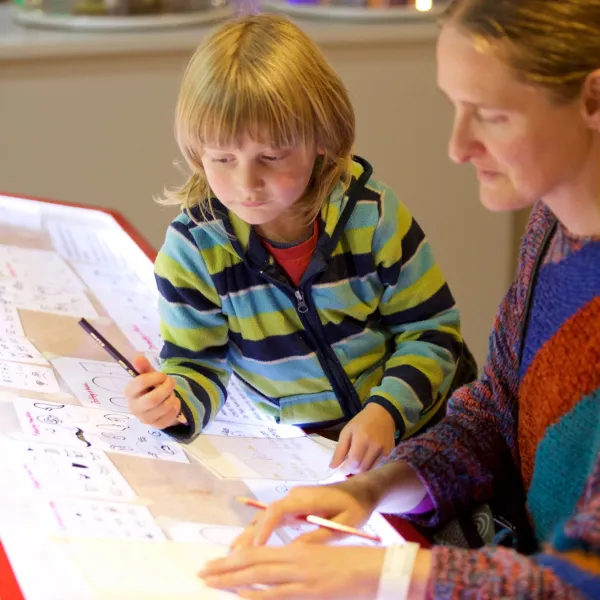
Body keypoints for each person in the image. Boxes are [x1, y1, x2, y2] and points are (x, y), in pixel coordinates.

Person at [200, 0, 600, 597]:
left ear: (593, 99)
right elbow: (495, 414)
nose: (458, 146)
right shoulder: (553, 227)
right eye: (454, 108)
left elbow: (582, 578)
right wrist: (372, 489)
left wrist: (384, 573)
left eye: (490, 116)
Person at [123, 14, 475, 474]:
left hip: (428, 436)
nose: (247, 182)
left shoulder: (374, 217)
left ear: (322, 139)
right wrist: (173, 406)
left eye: (271, 156)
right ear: (196, 153)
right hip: (316, 459)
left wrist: (385, 411)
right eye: (223, 158)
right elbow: (197, 366)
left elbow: (432, 331)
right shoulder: (193, 252)